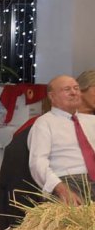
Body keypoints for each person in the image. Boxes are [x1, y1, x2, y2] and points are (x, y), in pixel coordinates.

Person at [28, 74, 95, 205]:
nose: (74, 92)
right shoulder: (44, 123)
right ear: (52, 96)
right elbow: (38, 163)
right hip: (69, 181)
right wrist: (61, 188)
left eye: (76, 88)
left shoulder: (91, 121)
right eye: (67, 89)